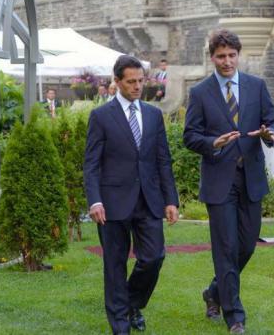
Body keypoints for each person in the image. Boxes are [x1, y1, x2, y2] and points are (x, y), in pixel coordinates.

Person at [183, 29, 274, 334]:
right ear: (212, 57)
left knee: (247, 245)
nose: (226, 61)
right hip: (219, 181)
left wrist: (269, 134)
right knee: (225, 247)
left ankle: (214, 291)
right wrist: (213, 142)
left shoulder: (256, 85)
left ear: (239, 55)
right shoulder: (200, 93)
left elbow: (273, 121)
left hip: (250, 178)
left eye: (231, 55)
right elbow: (190, 136)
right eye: (221, 56)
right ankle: (234, 316)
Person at [84, 55, 180, 335]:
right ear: (117, 82)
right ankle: (120, 326)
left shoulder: (153, 114)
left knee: (153, 257)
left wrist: (170, 199)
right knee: (114, 265)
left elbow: (163, 160)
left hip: (149, 200)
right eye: (131, 82)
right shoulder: (101, 116)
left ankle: (130, 303)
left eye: (141, 81)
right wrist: (95, 200)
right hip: (111, 204)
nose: (138, 86)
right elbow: (91, 163)